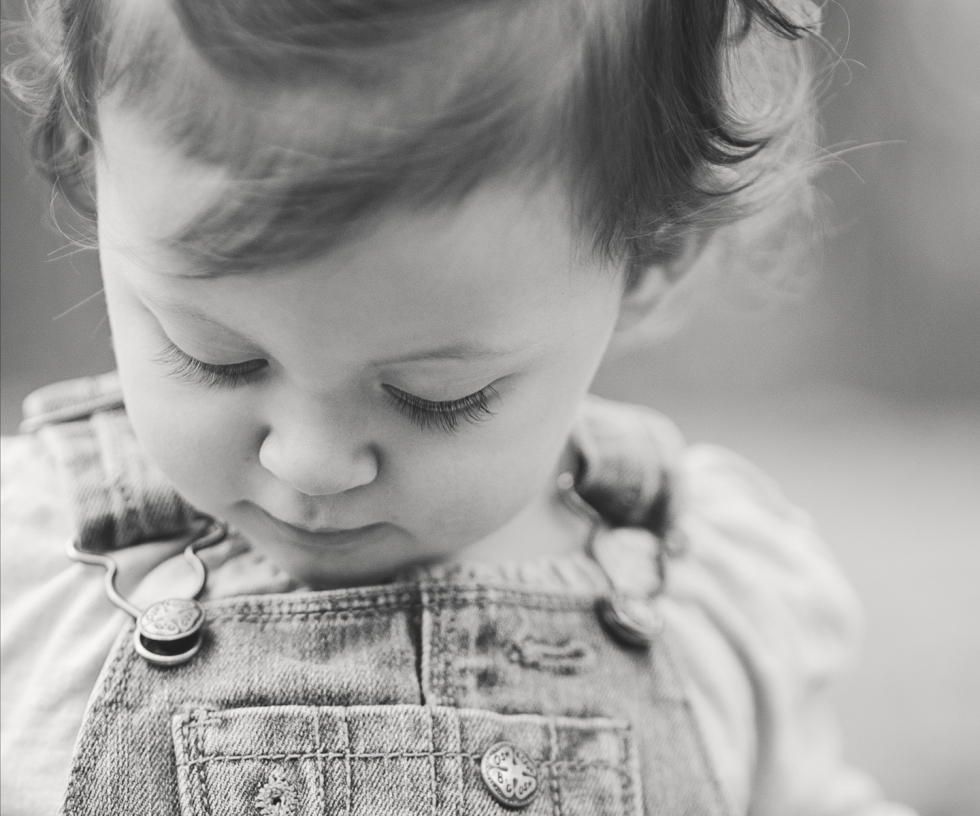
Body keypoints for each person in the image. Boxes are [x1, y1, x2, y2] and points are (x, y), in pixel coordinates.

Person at [0, 0, 917, 814]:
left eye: (435, 395)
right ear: (93, 162)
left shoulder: (709, 587)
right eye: (216, 356)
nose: (310, 464)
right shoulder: (27, 571)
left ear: (650, 259)